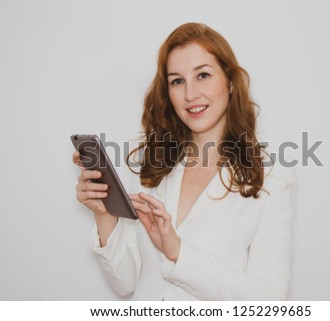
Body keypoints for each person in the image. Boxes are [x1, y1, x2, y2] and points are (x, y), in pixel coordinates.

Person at [72, 22, 295, 300]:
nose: (190, 94)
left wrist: (178, 252)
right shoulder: (150, 164)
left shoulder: (272, 176)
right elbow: (125, 282)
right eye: (177, 80)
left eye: (203, 75)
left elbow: (270, 299)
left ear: (230, 83)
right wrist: (104, 213)